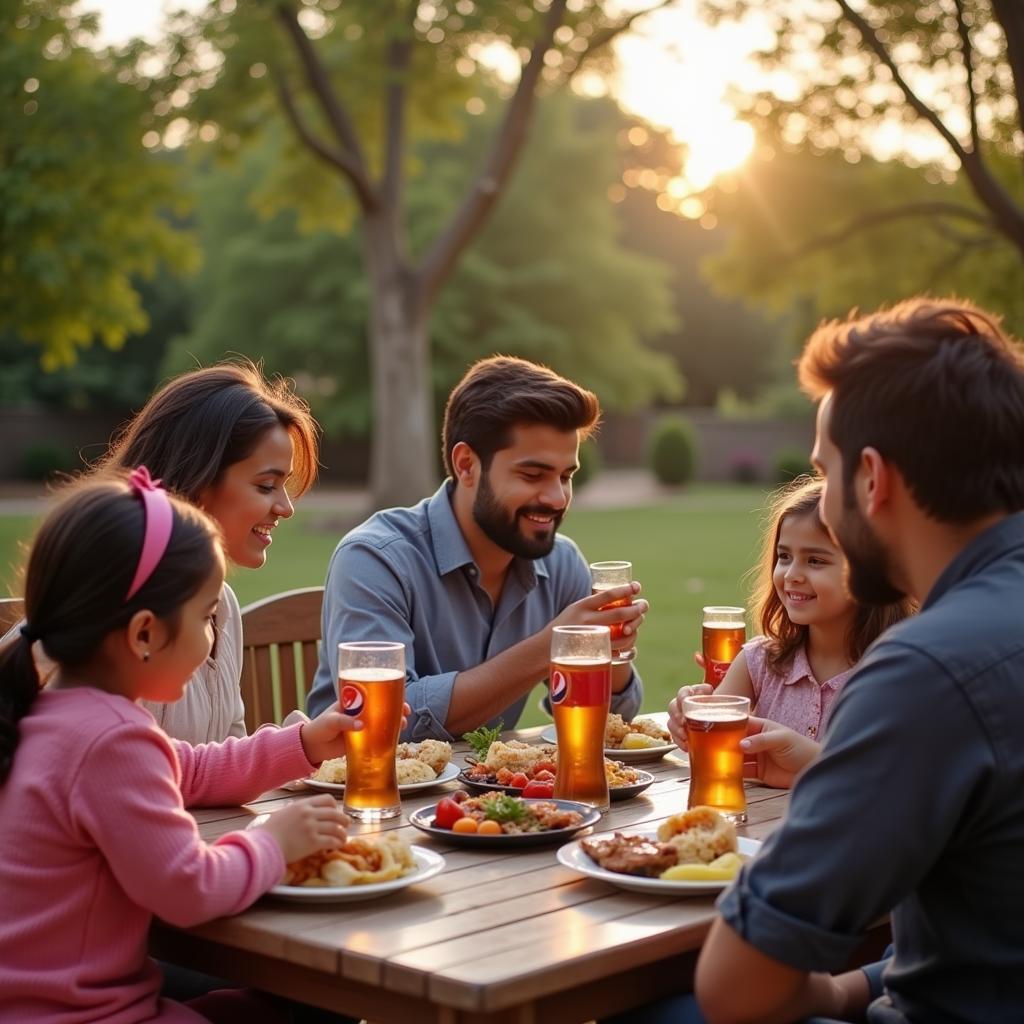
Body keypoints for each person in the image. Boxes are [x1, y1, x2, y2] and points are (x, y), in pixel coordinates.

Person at [690, 298, 1024, 1023]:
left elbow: (733, 989)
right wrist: (851, 989)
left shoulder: (928, 670)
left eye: (825, 472)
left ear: (872, 480)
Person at [0, 470, 356, 1023]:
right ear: (145, 634)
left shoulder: (53, 711)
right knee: (325, 1000)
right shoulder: (109, 739)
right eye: (206, 616)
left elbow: (186, 771)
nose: (212, 636)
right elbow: (189, 889)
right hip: (87, 1016)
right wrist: (273, 842)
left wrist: (303, 742)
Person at [306, 355, 647, 739]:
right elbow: (382, 722)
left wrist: (610, 647)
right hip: (358, 792)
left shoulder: (561, 561)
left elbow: (615, 721)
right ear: (467, 465)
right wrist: (551, 646)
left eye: (566, 476)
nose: (556, 498)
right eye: (533, 474)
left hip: (498, 795)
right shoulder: (375, 558)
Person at [9, 360, 320, 744]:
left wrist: (295, 745)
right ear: (198, 479)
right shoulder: (113, 623)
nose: (286, 507)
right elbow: (118, 777)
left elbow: (213, 760)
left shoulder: (222, 606)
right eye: (266, 486)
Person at [668, 477, 912, 747]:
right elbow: (706, 742)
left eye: (815, 561)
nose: (792, 575)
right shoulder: (758, 663)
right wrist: (686, 721)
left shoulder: (895, 676)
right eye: (784, 557)